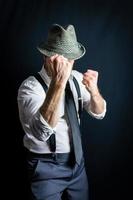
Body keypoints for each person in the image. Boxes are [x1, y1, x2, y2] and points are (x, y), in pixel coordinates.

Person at [17, 24, 107, 200]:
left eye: (70, 58)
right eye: (60, 58)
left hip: (77, 164)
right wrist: (58, 83)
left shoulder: (78, 79)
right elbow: (40, 133)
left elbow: (100, 113)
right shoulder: (30, 87)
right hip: (45, 167)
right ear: (46, 56)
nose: (66, 65)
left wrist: (94, 91)